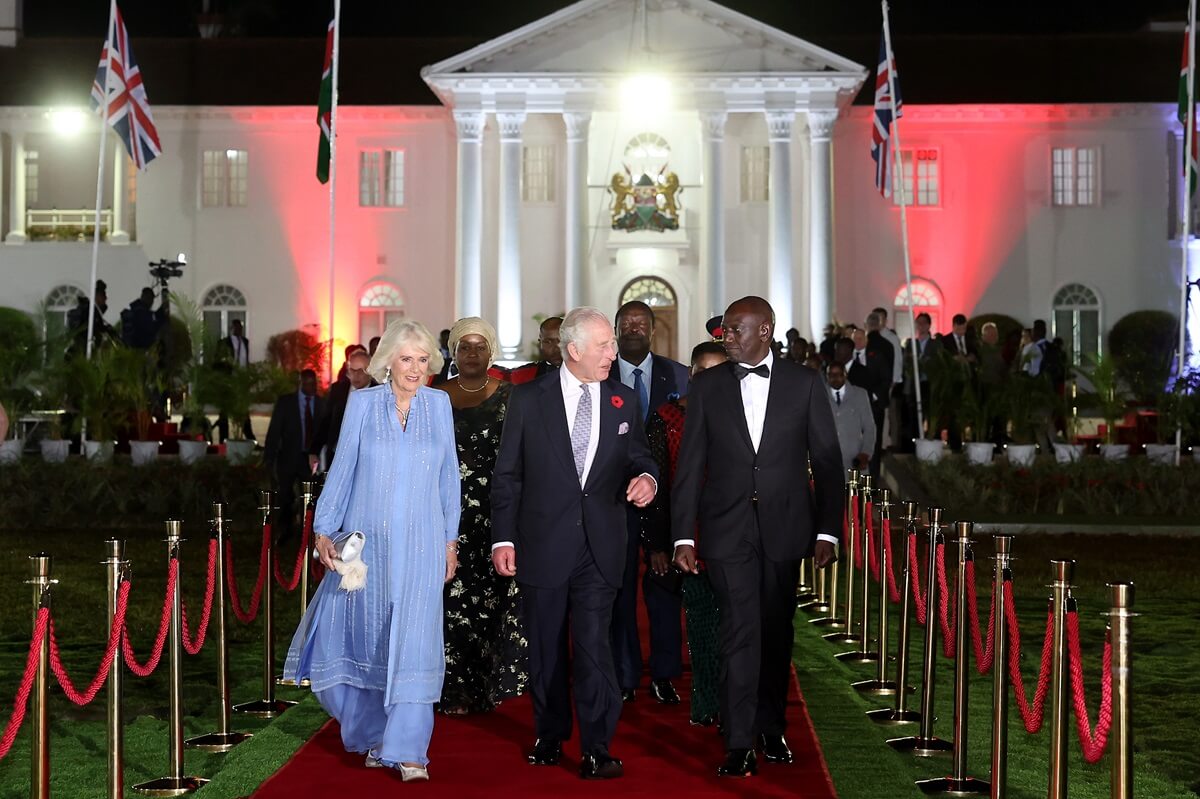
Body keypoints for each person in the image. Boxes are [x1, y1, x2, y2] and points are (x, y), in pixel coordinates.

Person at [671, 296, 842, 778]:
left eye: (734, 330)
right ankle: (739, 739)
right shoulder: (706, 387)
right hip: (726, 531)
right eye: (724, 330)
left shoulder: (805, 383)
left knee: (775, 630)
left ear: (764, 331)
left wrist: (828, 528)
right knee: (739, 631)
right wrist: (684, 535)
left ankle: (772, 726)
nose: (726, 337)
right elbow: (689, 468)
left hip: (787, 529)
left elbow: (828, 463)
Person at [283, 319, 461, 782]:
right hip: (370, 549)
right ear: (388, 364)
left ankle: (409, 750)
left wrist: (450, 541)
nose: (416, 368)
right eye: (407, 359)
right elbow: (342, 468)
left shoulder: (439, 405)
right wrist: (324, 529)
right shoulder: (362, 406)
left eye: (424, 360)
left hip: (423, 545)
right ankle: (370, 732)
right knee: (363, 636)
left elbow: (449, 480)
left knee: (415, 641)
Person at [491, 307, 658, 781]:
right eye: (604, 345)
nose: (613, 352)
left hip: (602, 546)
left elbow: (641, 458)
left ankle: (597, 746)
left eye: (612, 344)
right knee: (545, 648)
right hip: (541, 543)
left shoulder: (624, 401)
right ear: (574, 350)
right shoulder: (527, 400)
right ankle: (548, 733)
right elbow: (509, 477)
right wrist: (504, 537)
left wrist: (647, 478)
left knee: (593, 647)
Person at [433, 317, 528, 715]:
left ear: (492, 352)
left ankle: (492, 686)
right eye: (464, 347)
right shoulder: (434, 397)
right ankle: (452, 689)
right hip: (446, 513)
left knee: (494, 600)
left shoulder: (512, 396)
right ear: (453, 353)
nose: (472, 353)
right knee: (450, 603)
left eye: (479, 346)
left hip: (498, 514)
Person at [643, 340, 727, 726]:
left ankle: (730, 703)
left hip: (730, 536)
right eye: (702, 370)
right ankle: (700, 699)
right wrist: (659, 544)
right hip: (683, 534)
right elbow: (657, 484)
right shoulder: (667, 417)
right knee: (692, 620)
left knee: (728, 627)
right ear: (691, 374)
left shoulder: (742, 415)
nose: (710, 378)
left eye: (719, 370)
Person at [610, 300, 689, 706]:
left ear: (654, 330)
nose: (634, 328)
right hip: (614, 501)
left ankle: (663, 673)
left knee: (663, 590)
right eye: (627, 322)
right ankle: (624, 674)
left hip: (666, 500)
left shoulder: (679, 375)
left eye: (642, 322)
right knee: (620, 591)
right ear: (617, 329)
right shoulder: (601, 375)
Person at [264, 369, 326, 541]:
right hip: (289, 457)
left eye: (313, 383)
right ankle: (285, 530)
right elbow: (275, 430)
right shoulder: (286, 403)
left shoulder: (321, 404)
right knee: (285, 495)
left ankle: (307, 533)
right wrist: (269, 457)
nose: (311, 387)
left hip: (311, 458)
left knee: (310, 496)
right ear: (300, 384)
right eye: (307, 384)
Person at [308, 349, 375, 471]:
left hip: (368, 461)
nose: (356, 376)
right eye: (352, 370)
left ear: (370, 371)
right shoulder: (338, 389)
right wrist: (314, 450)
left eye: (361, 371)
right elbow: (327, 422)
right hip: (337, 456)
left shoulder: (380, 393)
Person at [826, 362, 875, 473]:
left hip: (854, 459)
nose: (835, 378)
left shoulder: (860, 394)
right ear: (827, 376)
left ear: (845, 374)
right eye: (831, 375)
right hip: (827, 461)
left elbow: (869, 427)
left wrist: (865, 452)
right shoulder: (819, 395)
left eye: (839, 374)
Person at [862, 313, 894, 473]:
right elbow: (889, 376)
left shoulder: (865, 344)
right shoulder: (888, 345)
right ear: (880, 324)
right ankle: (873, 476)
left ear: (867, 325)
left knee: (862, 437)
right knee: (876, 437)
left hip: (865, 398)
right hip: (878, 400)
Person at [215, 319, 256, 442]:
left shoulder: (245, 342)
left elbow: (245, 360)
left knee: (243, 410)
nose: (238, 330)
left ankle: (250, 438)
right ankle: (223, 440)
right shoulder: (223, 343)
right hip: (228, 381)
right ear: (231, 328)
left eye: (240, 328)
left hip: (241, 381)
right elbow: (217, 362)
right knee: (225, 412)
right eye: (236, 327)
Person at [872, 307, 905, 451]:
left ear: (885, 320)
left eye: (880, 318)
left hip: (887, 381)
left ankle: (884, 442)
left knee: (885, 411)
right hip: (873, 381)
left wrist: (894, 379)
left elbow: (898, 360)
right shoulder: (871, 336)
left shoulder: (891, 338)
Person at [504, 316, 564, 384]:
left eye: (561, 341)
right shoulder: (524, 375)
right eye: (548, 342)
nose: (556, 349)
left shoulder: (578, 375)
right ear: (540, 342)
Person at [66, 280, 113, 354]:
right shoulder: (90, 311)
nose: (106, 299)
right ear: (98, 296)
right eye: (103, 296)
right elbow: (94, 329)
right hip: (84, 350)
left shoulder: (94, 311)